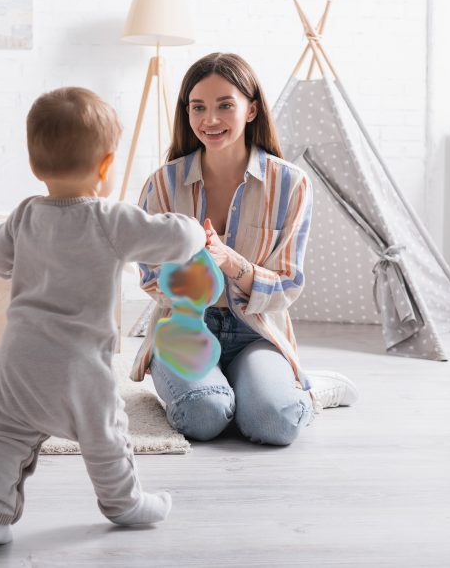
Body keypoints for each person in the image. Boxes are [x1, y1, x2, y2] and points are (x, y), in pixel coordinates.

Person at [0, 87, 207, 545]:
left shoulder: (24, 216)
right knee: (106, 435)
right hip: (81, 365)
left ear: (37, 166)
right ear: (105, 166)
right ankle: (124, 503)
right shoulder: (110, 219)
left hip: (18, 359)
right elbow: (175, 238)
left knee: (4, 435)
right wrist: (195, 228)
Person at [132, 53, 359, 447]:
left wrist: (232, 263)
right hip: (185, 327)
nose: (210, 120)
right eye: (198, 107)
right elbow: (150, 275)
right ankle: (222, 391)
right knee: (204, 415)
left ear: (251, 109)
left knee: (274, 423)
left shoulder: (291, 184)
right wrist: (192, 279)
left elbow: (289, 284)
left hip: (257, 330)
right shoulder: (164, 184)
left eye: (225, 105)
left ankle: (306, 391)